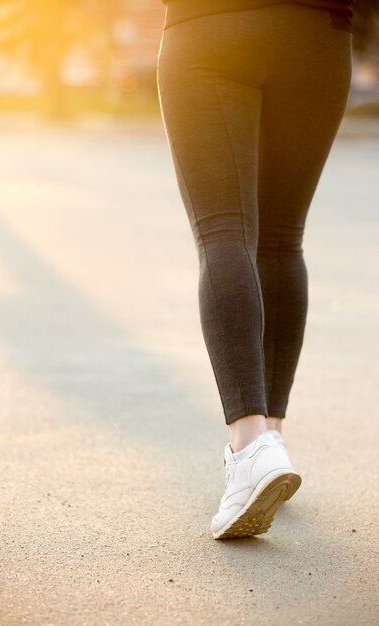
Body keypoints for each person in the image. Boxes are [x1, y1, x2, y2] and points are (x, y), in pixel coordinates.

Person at [156, 0, 354, 539]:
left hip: (211, 27)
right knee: (282, 240)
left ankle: (249, 446)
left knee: (225, 232)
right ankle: (272, 437)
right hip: (317, 33)